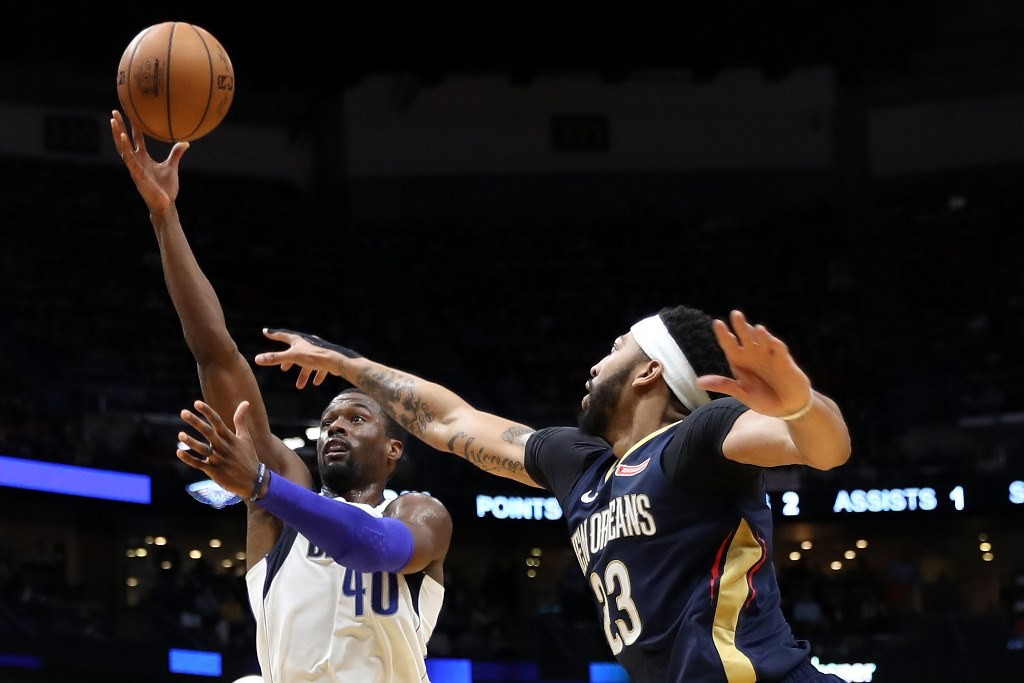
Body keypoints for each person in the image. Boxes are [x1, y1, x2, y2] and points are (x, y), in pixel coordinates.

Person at [254, 306, 852, 682]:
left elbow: (824, 449)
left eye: (618, 347)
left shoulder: (698, 438)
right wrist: (348, 365)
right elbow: (449, 422)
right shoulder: (580, 464)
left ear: (650, 371)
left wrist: (799, 403)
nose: (595, 365)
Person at [110, 110, 452, 683]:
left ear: (394, 449)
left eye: (357, 417)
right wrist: (164, 217)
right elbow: (216, 354)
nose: (335, 426)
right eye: (329, 419)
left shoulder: (417, 513)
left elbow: (373, 548)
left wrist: (262, 486)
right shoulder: (281, 502)